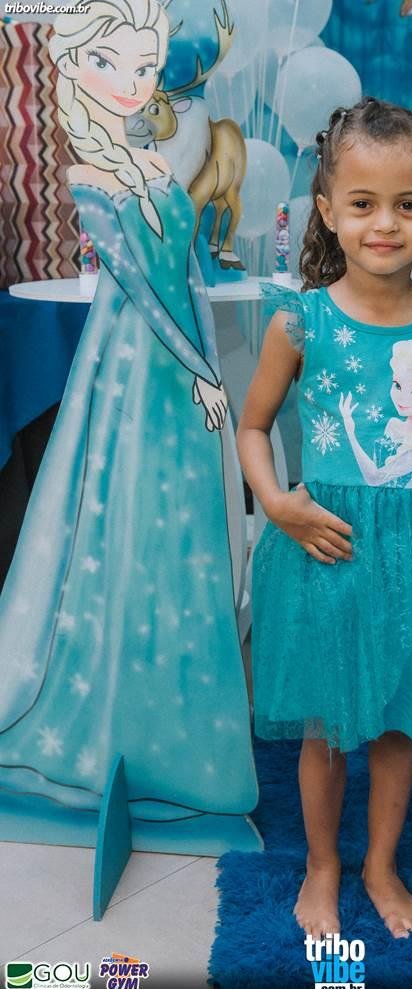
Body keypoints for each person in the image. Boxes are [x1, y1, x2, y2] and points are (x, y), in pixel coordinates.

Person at [237, 98, 412, 941]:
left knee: (398, 723)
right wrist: (276, 502)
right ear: (327, 210)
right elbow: (251, 426)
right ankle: (322, 866)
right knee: (326, 727)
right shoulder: (300, 319)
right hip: (326, 547)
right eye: (362, 203)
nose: (384, 223)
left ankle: (380, 865)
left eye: (406, 204)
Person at [0, 0, 257, 824]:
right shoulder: (94, 177)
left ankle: (167, 702)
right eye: (111, 64)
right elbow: (142, 289)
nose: (131, 83)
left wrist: (204, 365)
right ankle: (107, 702)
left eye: (143, 67)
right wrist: (199, 369)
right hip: (136, 362)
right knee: (118, 516)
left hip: (177, 359)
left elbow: (183, 275)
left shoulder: (153, 163)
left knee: (173, 523)